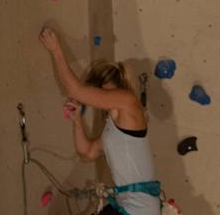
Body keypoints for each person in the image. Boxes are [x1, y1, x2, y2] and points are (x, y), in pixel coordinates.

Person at [39, 26, 160, 215]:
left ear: (109, 87)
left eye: (99, 90)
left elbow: (75, 91)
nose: (97, 97)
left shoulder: (128, 102)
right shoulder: (113, 130)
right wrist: (77, 120)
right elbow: (87, 153)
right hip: (132, 208)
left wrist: (56, 50)